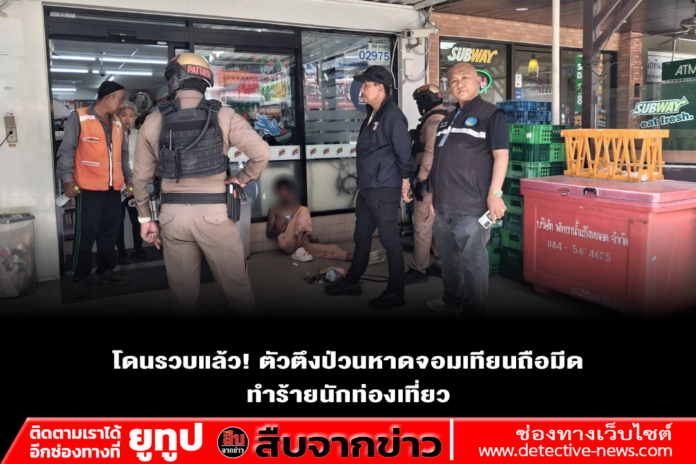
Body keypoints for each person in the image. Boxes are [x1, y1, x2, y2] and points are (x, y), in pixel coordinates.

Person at [133, 53, 270, 316]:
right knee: (237, 294)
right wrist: (241, 178)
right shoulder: (225, 115)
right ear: (204, 80)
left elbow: (141, 178)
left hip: (172, 218)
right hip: (216, 216)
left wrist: (145, 219)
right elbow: (262, 153)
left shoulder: (153, 120)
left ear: (174, 81)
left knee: (183, 299)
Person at [324, 65, 413, 310]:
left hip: (384, 188)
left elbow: (404, 153)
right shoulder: (372, 114)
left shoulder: (392, 116)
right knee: (361, 237)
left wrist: (406, 183)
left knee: (389, 240)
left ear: (380, 88)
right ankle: (353, 281)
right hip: (367, 188)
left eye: (365, 85)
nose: (361, 90)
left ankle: (396, 292)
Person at [428, 62, 510, 317]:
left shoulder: (491, 114)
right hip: (444, 205)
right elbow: (441, 161)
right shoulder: (447, 119)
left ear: (479, 82)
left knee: (472, 262)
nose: (459, 83)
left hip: (472, 206)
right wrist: (434, 196)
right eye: (453, 80)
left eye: (465, 78)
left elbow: (501, 156)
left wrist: (495, 194)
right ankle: (452, 299)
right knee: (449, 260)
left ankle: (474, 309)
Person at [56, 81, 134, 299]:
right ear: (108, 97)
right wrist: (67, 179)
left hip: (113, 188)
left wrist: (129, 179)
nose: (122, 104)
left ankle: (104, 271)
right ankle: (80, 278)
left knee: (110, 232)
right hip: (88, 188)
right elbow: (67, 150)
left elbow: (123, 154)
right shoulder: (79, 117)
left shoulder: (117, 123)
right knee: (86, 233)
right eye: (120, 99)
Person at [267, 177, 385, 264]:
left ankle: (361, 259)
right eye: (282, 190)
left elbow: (301, 227)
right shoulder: (274, 209)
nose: (285, 193)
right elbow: (269, 233)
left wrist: (310, 237)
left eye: (287, 190)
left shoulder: (296, 206)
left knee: (330, 249)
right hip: (286, 242)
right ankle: (298, 250)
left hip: (301, 243)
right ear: (278, 192)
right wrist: (281, 230)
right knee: (304, 209)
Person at [404, 84, 448, 286]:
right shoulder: (443, 117)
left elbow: (430, 151)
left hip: (428, 180)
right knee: (434, 223)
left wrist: (421, 179)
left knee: (421, 225)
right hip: (438, 180)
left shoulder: (434, 120)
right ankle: (439, 263)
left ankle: (418, 268)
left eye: (419, 101)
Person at [115, 101, 151, 264]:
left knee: (139, 219)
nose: (127, 119)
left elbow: (145, 158)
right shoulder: (111, 134)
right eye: (123, 115)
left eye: (131, 116)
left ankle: (138, 249)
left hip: (136, 184)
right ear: (117, 116)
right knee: (118, 221)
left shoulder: (139, 134)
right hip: (117, 184)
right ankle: (121, 253)